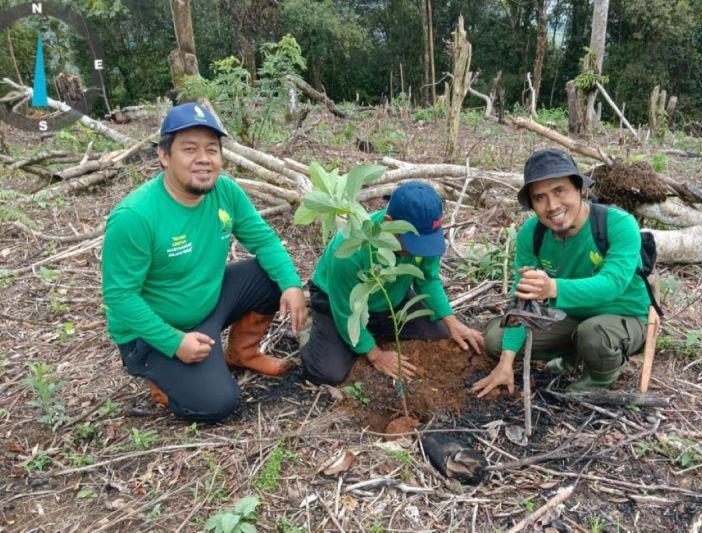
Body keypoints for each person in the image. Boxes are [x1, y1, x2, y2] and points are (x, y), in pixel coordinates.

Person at [102, 102, 307, 422]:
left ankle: (243, 353)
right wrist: (174, 342)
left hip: (207, 303)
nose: (203, 159)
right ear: (164, 156)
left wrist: (291, 284)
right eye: (189, 149)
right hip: (154, 331)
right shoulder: (135, 217)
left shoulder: (225, 192)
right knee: (217, 403)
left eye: (212, 149)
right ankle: (163, 377)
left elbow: (265, 241)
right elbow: (120, 296)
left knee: (271, 276)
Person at [472, 148, 649, 397]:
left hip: (620, 315)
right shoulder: (531, 233)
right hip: (567, 315)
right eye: (540, 198)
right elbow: (522, 298)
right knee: (495, 341)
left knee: (594, 335)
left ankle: (599, 377)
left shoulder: (617, 224)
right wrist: (506, 362)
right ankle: (570, 351)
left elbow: (613, 284)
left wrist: (553, 288)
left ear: (580, 189)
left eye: (559, 191)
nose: (552, 206)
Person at [300, 182, 484, 385]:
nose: (419, 251)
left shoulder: (426, 238)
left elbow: (428, 279)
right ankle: (312, 325)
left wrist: (452, 321)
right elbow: (346, 310)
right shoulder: (350, 248)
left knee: (440, 335)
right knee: (327, 372)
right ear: (389, 223)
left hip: (391, 295)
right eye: (414, 244)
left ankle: (374, 329)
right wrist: (375, 354)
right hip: (338, 300)